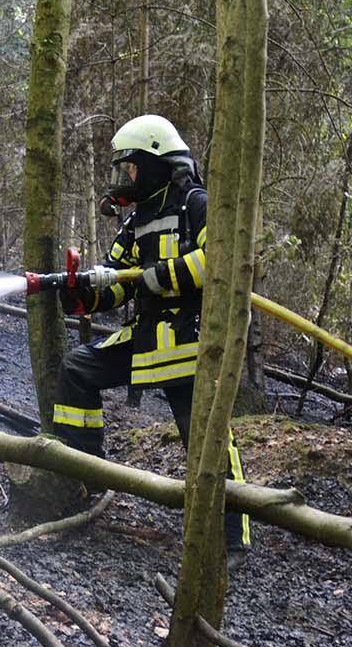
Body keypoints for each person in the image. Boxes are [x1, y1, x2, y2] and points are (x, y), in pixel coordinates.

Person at [52, 113, 249, 548]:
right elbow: (118, 279)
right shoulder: (137, 220)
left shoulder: (195, 205)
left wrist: (152, 278)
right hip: (146, 342)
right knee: (79, 368)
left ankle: (231, 537)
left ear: (157, 161)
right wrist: (83, 293)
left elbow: (217, 263)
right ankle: (88, 475)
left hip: (189, 344)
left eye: (133, 167)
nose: (129, 176)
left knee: (206, 440)